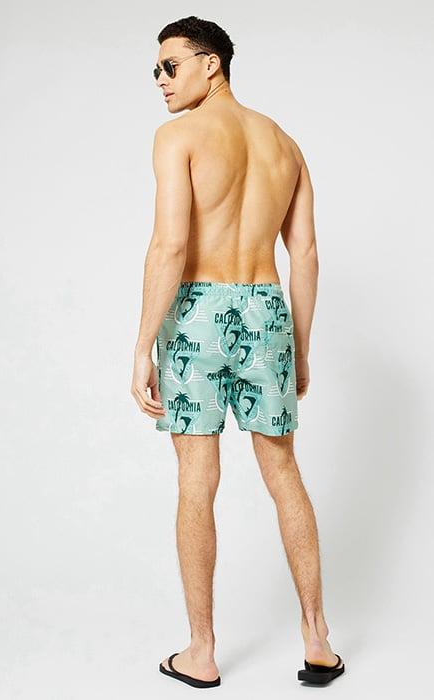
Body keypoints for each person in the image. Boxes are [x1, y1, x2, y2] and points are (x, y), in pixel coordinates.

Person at [131, 15, 345, 689]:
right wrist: (299, 346)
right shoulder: (284, 144)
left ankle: (201, 651)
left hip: (196, 312)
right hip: (267, 310)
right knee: (283, 471)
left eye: (170, 66)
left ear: (211, 64)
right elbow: (305, 255)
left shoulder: (177, 137)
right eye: (155, 70)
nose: (160, 80)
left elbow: (169, 246)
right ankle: (317, 638)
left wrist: (142, 345)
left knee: (196, 481)